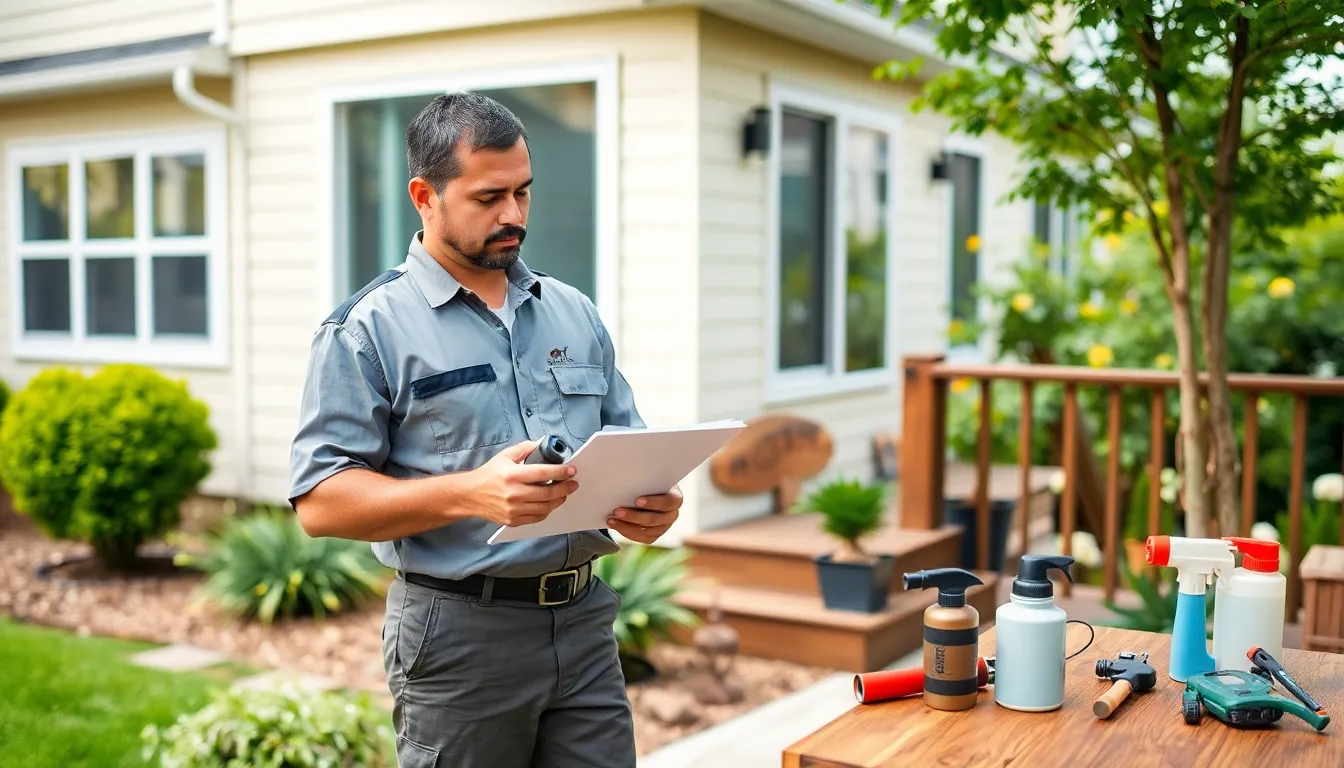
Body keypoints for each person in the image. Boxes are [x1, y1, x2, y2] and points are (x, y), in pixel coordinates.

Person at [288, 91, 681, 768]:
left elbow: (625, 442)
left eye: (523, 193)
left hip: (584, 624)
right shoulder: (367, 330)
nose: (514, 215)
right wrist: (470, 492)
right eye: (489, 197)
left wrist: (651, 506)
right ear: (425, 195)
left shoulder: (573, 311)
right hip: (460, 635)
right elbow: (320, 503)